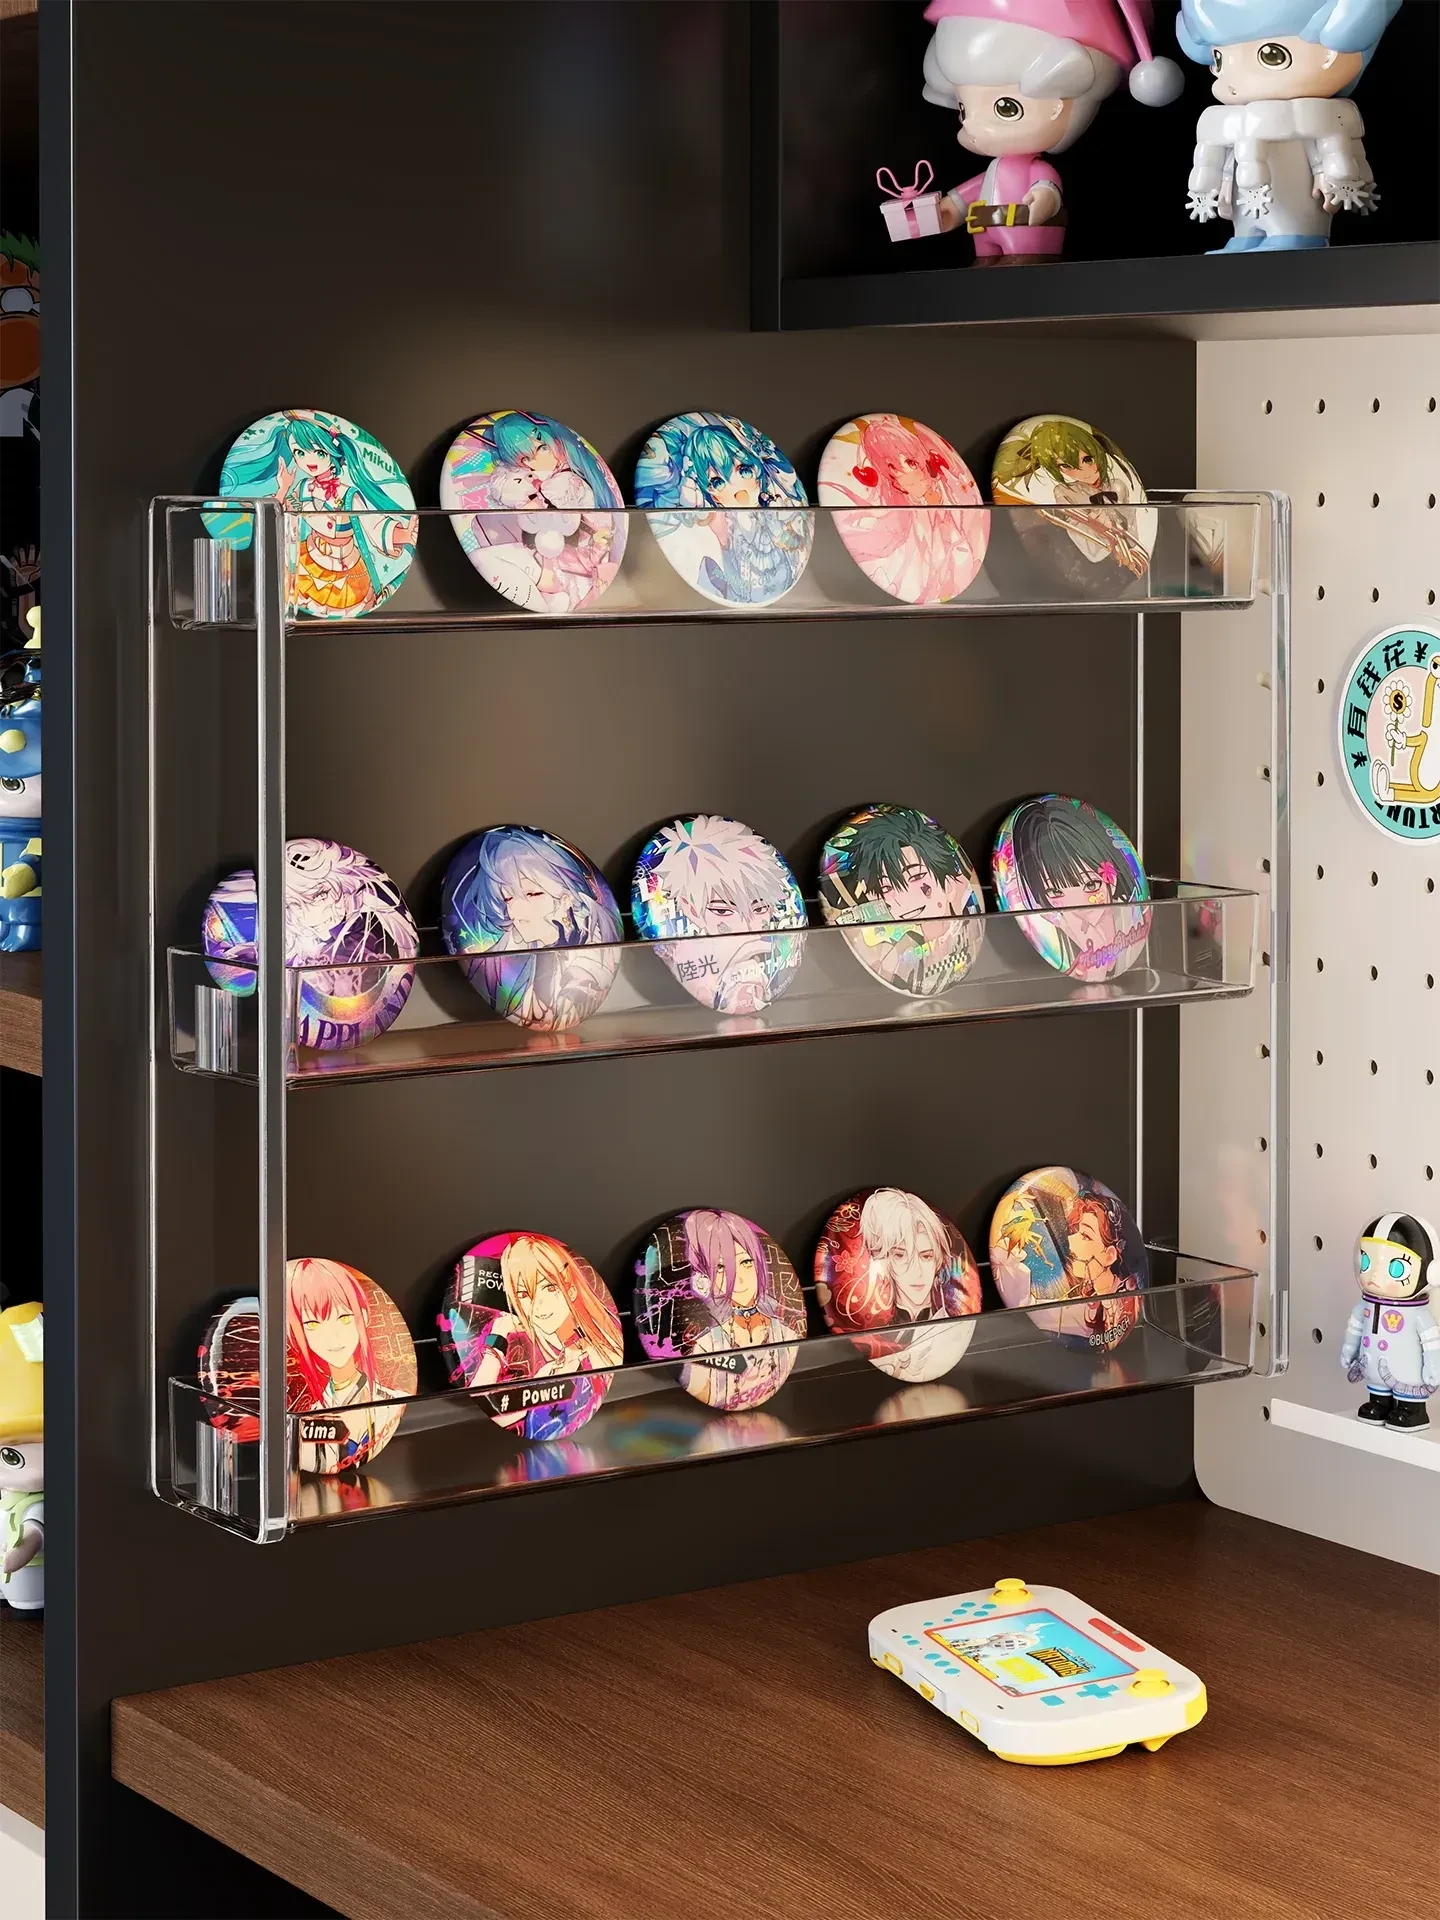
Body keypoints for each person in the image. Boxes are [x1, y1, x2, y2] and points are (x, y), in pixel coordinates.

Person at [921, 0, 1181, 265]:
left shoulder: (1038, 169)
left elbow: (1047, 187)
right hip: (985, 232)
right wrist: (950, 208)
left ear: (1058, 103)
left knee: (1019, 270)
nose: (972, 126)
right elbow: (972, 193)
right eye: (963, 109)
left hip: (1024, 236)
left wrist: (1045, 199)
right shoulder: (994, 170)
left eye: (1006, 108)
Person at [1177, 0, 1401, 252]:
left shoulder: (1316, 117)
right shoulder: (1229, 120)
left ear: (1330, 53)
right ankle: (1246, 237)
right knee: (1248, 223)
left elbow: (1331, 152)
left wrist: (1334, 176)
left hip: (1299, 203)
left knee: (1290, 219)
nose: (1233, 79)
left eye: (1271, 55)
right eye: (1219, 60)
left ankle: (1295, 235)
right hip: (1246, 201)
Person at [220, 410, 417, 616]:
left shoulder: (348, 495)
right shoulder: (304, 488)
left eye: (320, 453)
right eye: (300, 453)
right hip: (308, 558)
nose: (309, 460)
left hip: (344, 568)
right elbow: (280, 516)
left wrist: (404, 535)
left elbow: (374, 525)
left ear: (333, 453)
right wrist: (283, 489)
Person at [443, 827, 622, 1030]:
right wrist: (549, 957)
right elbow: (539, 1013)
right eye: (507, 899)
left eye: (532, 894)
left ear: (566, 900)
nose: (514, 912)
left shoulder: (594, 950)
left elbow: (559, 1011)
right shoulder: (509, 953)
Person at [286, 1259, 407, 1473]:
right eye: (312, 1325)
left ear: (364, 1316)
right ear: (296, 1334)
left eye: (343, 1318)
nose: (332, 1336)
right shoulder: (304, 1421)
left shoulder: (394, 1402)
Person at [683, 1210, 797, 1411]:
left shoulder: (786, 1335)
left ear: (758, 1263)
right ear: (704, 1278)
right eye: (720, 1268)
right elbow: (699, 1393)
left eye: (745, 1263)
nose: (738, 1279)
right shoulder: (706, 1346)